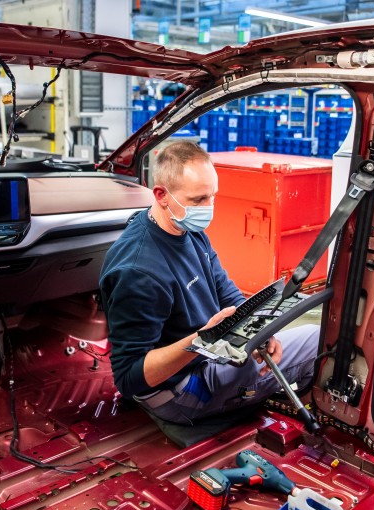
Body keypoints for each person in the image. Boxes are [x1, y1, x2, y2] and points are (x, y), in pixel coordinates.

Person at [100, 140, 319, 426]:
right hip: (179, 392)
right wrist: (201, 339)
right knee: (316, 341)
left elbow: (226, 291)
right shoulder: (139, 271)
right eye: (199, 200)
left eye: (213, 196)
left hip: (209, 354)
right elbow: (129, 380)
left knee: (307, 336)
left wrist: (260, 333)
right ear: (162, 195)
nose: (209, 207)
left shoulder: (188, 231)